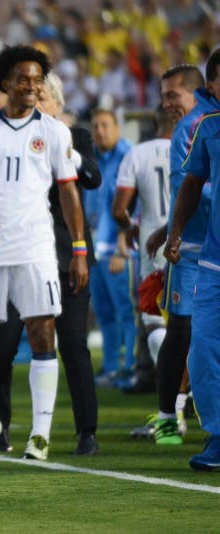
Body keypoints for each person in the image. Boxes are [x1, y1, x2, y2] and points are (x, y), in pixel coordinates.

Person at [0, 71, 102, 455]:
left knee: (71, 343)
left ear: (56, 103)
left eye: (44, 99)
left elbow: (91, 177)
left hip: (61, 253)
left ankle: (84, 431)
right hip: (11, 252)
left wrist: (65, 147)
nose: (36, 105)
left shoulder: (71, 136)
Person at [137, 60, 218, 444]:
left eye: (173, 94)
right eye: (163, 95)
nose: (166, 102)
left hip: (201, 245)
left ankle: (178, 413)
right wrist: (169, 229)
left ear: (197, 88)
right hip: (189, 248)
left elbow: (201, 186)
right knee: (182, 330)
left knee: (191, 333)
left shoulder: (199, 123)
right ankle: (171, 415)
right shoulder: (192, 126)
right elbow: (189, 188)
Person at [163, 107, 220, 471]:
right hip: (214, 262)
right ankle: (218, 435)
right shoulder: (209, 126)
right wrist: (175, 229)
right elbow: (193, 182)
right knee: (202, 350)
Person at [112, 106, 176, 402]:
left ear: (154, 121)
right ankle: (186, 398)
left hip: (153, 249)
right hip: (193, 246)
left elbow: (118, 210)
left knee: (153, 322)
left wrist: (133, 227)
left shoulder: (137, 154)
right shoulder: (197, 147)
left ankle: (170, 401)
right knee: (191, 324)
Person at [89, 109, 136, 387]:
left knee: (126, 311)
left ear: (117, 127)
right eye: (95, 125)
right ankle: (110, 368)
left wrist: (123, 245)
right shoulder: (92, 158)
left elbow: (133, 206)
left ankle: (129, 367)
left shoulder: (128, 156)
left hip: (119, 248)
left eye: (105, 125)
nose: (100, 130)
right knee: (105, 312)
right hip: (96, 248)